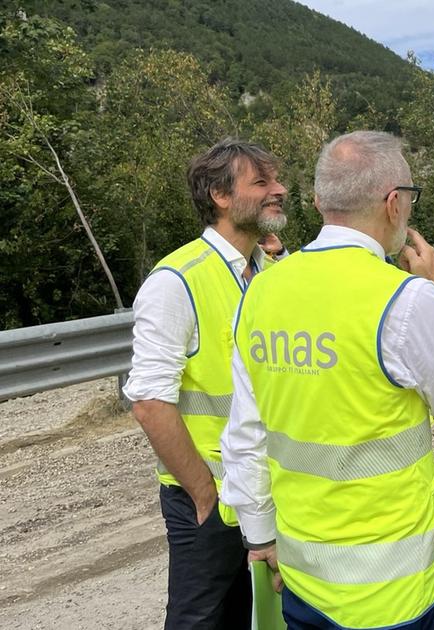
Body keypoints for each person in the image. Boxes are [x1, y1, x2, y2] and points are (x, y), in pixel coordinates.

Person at [220, 130, 434, 630]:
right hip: (388, 590)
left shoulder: (260, 292)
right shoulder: (405, 299)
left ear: (321, 200)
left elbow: (246, 432)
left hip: (302, 574)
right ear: (394, 203)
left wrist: (260, 536)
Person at [124, 138, 288, 629]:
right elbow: (151, 403)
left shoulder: (274, 272)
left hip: (265, 489)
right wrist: (204, 494)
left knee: (257, 615)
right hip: (210, 495)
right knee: (201, 619)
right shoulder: (176, 280)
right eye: (262, 182)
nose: (279, 190)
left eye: (276, 179)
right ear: (220, 194)